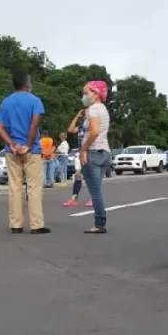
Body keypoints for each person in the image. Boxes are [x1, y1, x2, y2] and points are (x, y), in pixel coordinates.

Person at [0, 70, 50, 234]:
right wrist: (28, 144)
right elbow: (34, 124)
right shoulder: (35, 101)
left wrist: (12, 143)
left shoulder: (5, 102)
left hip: (12, 150)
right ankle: (36, 224)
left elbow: (0, 127)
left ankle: (16, 224)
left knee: (15, 187)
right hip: (31, 149)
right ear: (27, 83)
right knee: (33, 187)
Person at [78, 81, 112, 234]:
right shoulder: (103, 109)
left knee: (95, 191)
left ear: (95, 93)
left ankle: (99, 223)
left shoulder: (92, 109)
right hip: (105, 152)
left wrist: (83, 150)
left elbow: (95, 131)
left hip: (92, 152)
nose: (84, 96)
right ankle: (100, 221)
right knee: (97, 189)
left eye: (86, 93)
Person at [63, 110, 92, 208]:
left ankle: (93, 198)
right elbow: (70, 130)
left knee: (89, 177)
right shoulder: (80, 127)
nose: (85, 116)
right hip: (80, 154)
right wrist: (77, 116)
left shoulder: (91, 126)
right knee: (78, 176)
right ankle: (73, 199)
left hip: (89, 153)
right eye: (84, 115)